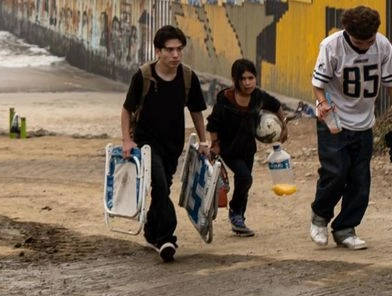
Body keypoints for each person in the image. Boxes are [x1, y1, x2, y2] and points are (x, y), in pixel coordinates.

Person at [310, 5, 392, 250]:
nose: (365, 46)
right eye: (360, 41)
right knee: (335, 172)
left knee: (360, 179)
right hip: (334, 121)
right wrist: (323, 103)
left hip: (364, 123)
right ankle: (319, 217)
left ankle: (345, 228)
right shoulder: (331, 46)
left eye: (369, 41)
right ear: (347, 33)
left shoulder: (382, 46)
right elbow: (317, 83)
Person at [120, 24, 209, 262]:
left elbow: (197, 111)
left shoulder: (188, 77)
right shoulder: (144, 76)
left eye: (179, 49)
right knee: (159, 184)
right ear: (158, 50)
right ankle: (167, 238)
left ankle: (151, 231)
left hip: (173, 144)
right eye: (170, 50)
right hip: (146, 143)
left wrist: (204, 141)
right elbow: (127, 110)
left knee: (163, 189)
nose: (175, 55)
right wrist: (127, 140)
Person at [205, 58, 287, 237]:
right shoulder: (225, 98)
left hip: (248, 149)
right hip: (229, 148)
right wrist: (215, 144)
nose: (247, 82)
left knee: (244, 182)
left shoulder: (258, 97)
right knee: (245, 177)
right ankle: (235, 214)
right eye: (243, 79)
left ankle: (239, 219)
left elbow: (276, 105)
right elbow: (213, 123)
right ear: (236, 80)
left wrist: (284, 125)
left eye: (251, 78)